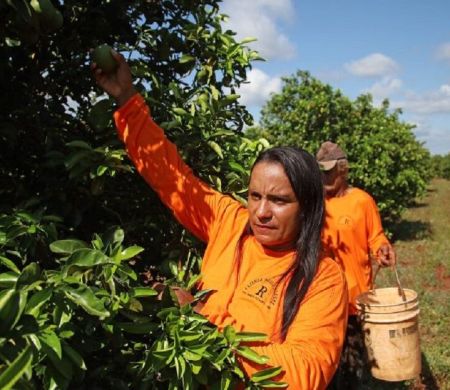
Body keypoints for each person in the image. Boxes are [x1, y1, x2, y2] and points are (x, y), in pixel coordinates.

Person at [92, 51, 348, 389]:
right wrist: (127, 100)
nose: (261, 211)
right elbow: (173, 179)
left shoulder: (323, 278)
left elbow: (303, 374)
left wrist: (205, 317)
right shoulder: (231, 221)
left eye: (279, 200)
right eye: (255, 196)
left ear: (308, 206)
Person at [316, 141, 396, 389]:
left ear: (343, 169)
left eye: (329, 170)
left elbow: (376, 237)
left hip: (354, 300)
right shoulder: (315, 204)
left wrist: (382, 248)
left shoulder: (362, 201)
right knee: (323, 365)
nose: (325, 176)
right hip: (320, 301)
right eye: (321, 170)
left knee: (353, 365)